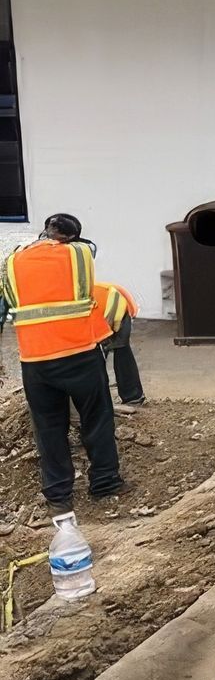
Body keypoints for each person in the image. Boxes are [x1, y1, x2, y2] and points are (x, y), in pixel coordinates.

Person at [0, 213, 124, 510]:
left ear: (45, 231)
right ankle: (105, 482)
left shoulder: (12, 264)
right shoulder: (81, 254)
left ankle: (58, 496)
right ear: (72, 237)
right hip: (80, 354)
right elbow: (90, 246)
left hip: (35, 361)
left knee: (48, 429)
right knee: (96, 417)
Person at [90, 279, 145, 409]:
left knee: (109, 353)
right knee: (98, 354)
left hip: (119, 307)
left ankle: (132, 396)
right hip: (113, 302)